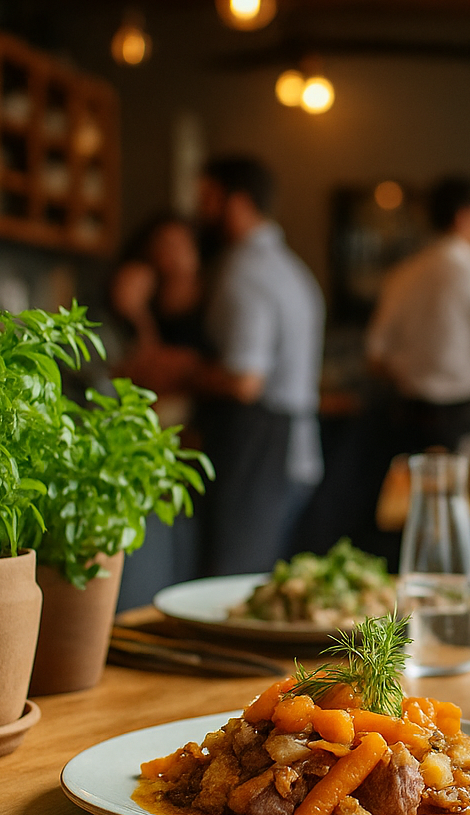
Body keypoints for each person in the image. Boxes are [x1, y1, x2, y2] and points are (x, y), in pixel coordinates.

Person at [199, 155, 325, 575]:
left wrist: (180, 370)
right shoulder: (292, 269)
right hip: (295, 449)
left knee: (233, 585)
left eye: (208, 199)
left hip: (261, 451)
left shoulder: (245, 270)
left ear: (236, 202)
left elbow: (245, 381)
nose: (201, 211)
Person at [366, 175, 470, 452]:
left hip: (406, 419)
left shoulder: (402, 276)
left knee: (407, 493)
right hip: (464, 422)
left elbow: (375, 356)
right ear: (464, 217)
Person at [108, 214, 208, 397]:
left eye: (179, 246)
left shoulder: (211, 311)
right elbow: (135, 370)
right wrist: (136, 313)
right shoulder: (143, 299)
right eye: (164, 246)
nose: (173, 257)